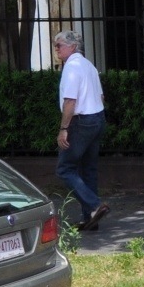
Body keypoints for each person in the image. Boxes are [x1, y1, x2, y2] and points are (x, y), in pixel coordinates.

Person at [53, 30, 109, 231]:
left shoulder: (72, 67)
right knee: (89, 169)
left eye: (59, 45)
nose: (56, 49)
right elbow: (101, 97)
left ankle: (94, 206)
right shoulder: (89, 65)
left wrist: (64, 129)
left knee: (65, 168)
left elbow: (70, 101)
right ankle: (90, 218)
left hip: (81, 121)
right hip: (98, 118)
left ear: (73, 46)